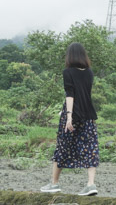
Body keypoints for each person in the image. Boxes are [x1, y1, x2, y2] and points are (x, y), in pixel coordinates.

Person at [40, 41, 99, 195]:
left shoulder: (68, 72)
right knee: (90, 148)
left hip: (73, 113)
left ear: (69, 56)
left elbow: (70, 95)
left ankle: (54, 183)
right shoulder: (89, 72)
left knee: (63, 146)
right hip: (89, 114)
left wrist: (69, 116)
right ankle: (91, 184)